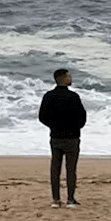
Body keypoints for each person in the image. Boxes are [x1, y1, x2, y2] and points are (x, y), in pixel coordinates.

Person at [38, 68, 86, 208]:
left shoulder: (49, 96)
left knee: (55, 168)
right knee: (71, 169)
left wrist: (53, 126)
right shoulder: (73, 97)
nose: (70, 78)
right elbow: (82, 117)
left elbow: (42, 117)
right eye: (69, 76)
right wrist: (75, 127)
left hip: (56, 136)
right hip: (72, 137)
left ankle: (55, 199)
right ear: (63, 79)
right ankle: (70, 199)